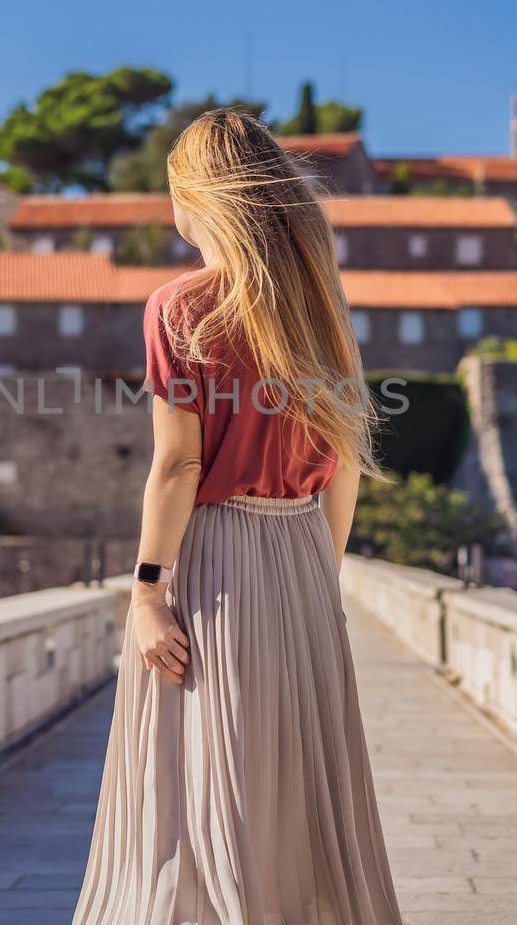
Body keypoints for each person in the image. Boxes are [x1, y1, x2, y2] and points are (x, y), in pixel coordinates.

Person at [73, 110, 401, 924]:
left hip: (216, 555)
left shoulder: (179, 308)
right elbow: (345, 467)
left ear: (195, 199)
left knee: (199, 787)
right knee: (295, 786)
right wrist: (316, 579)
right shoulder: (319, 308)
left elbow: (179, 465)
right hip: (301, 555)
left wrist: (148, 592)